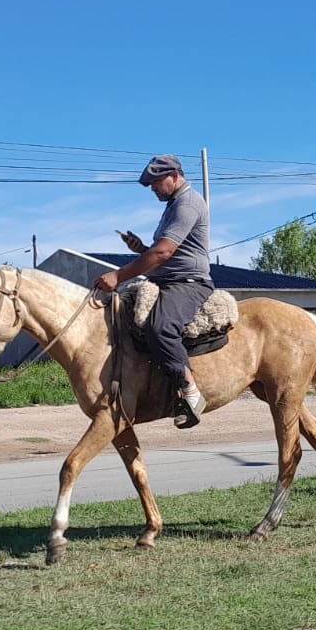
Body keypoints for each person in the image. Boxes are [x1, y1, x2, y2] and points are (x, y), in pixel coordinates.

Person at [93, 155, 213, 428]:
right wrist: (140, 250)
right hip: (166, 280)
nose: (153, 189)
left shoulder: (188, 203)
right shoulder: (173, 205)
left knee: (161, 327)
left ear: (174, 176)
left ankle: (190, 391)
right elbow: (162, 252)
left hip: (187, 283)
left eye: (155, 183)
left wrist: (118, 275)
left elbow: (165, 252)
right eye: (150, 185)